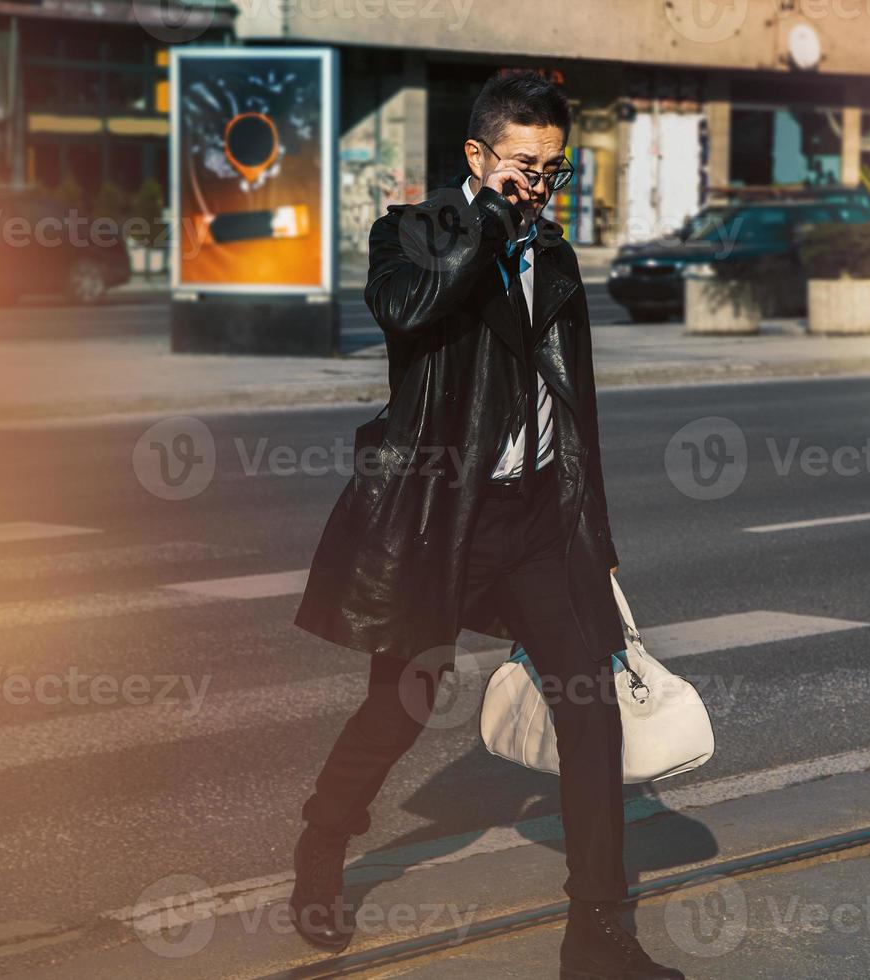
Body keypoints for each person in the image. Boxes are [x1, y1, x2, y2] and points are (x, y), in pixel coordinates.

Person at [291, 71, 685, 980]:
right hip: (445, 518)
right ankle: (322, 842)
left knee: (592, 712)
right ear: (476, 157)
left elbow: (573, 406)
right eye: (520, 167)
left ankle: (597, 934)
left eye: (552, 171)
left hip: (537, 518)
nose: (536, 186)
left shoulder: (557, 252)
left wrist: (597, 543)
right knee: (403, 704)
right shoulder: (414, 233)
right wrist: (487, 230)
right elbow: (404, 310)